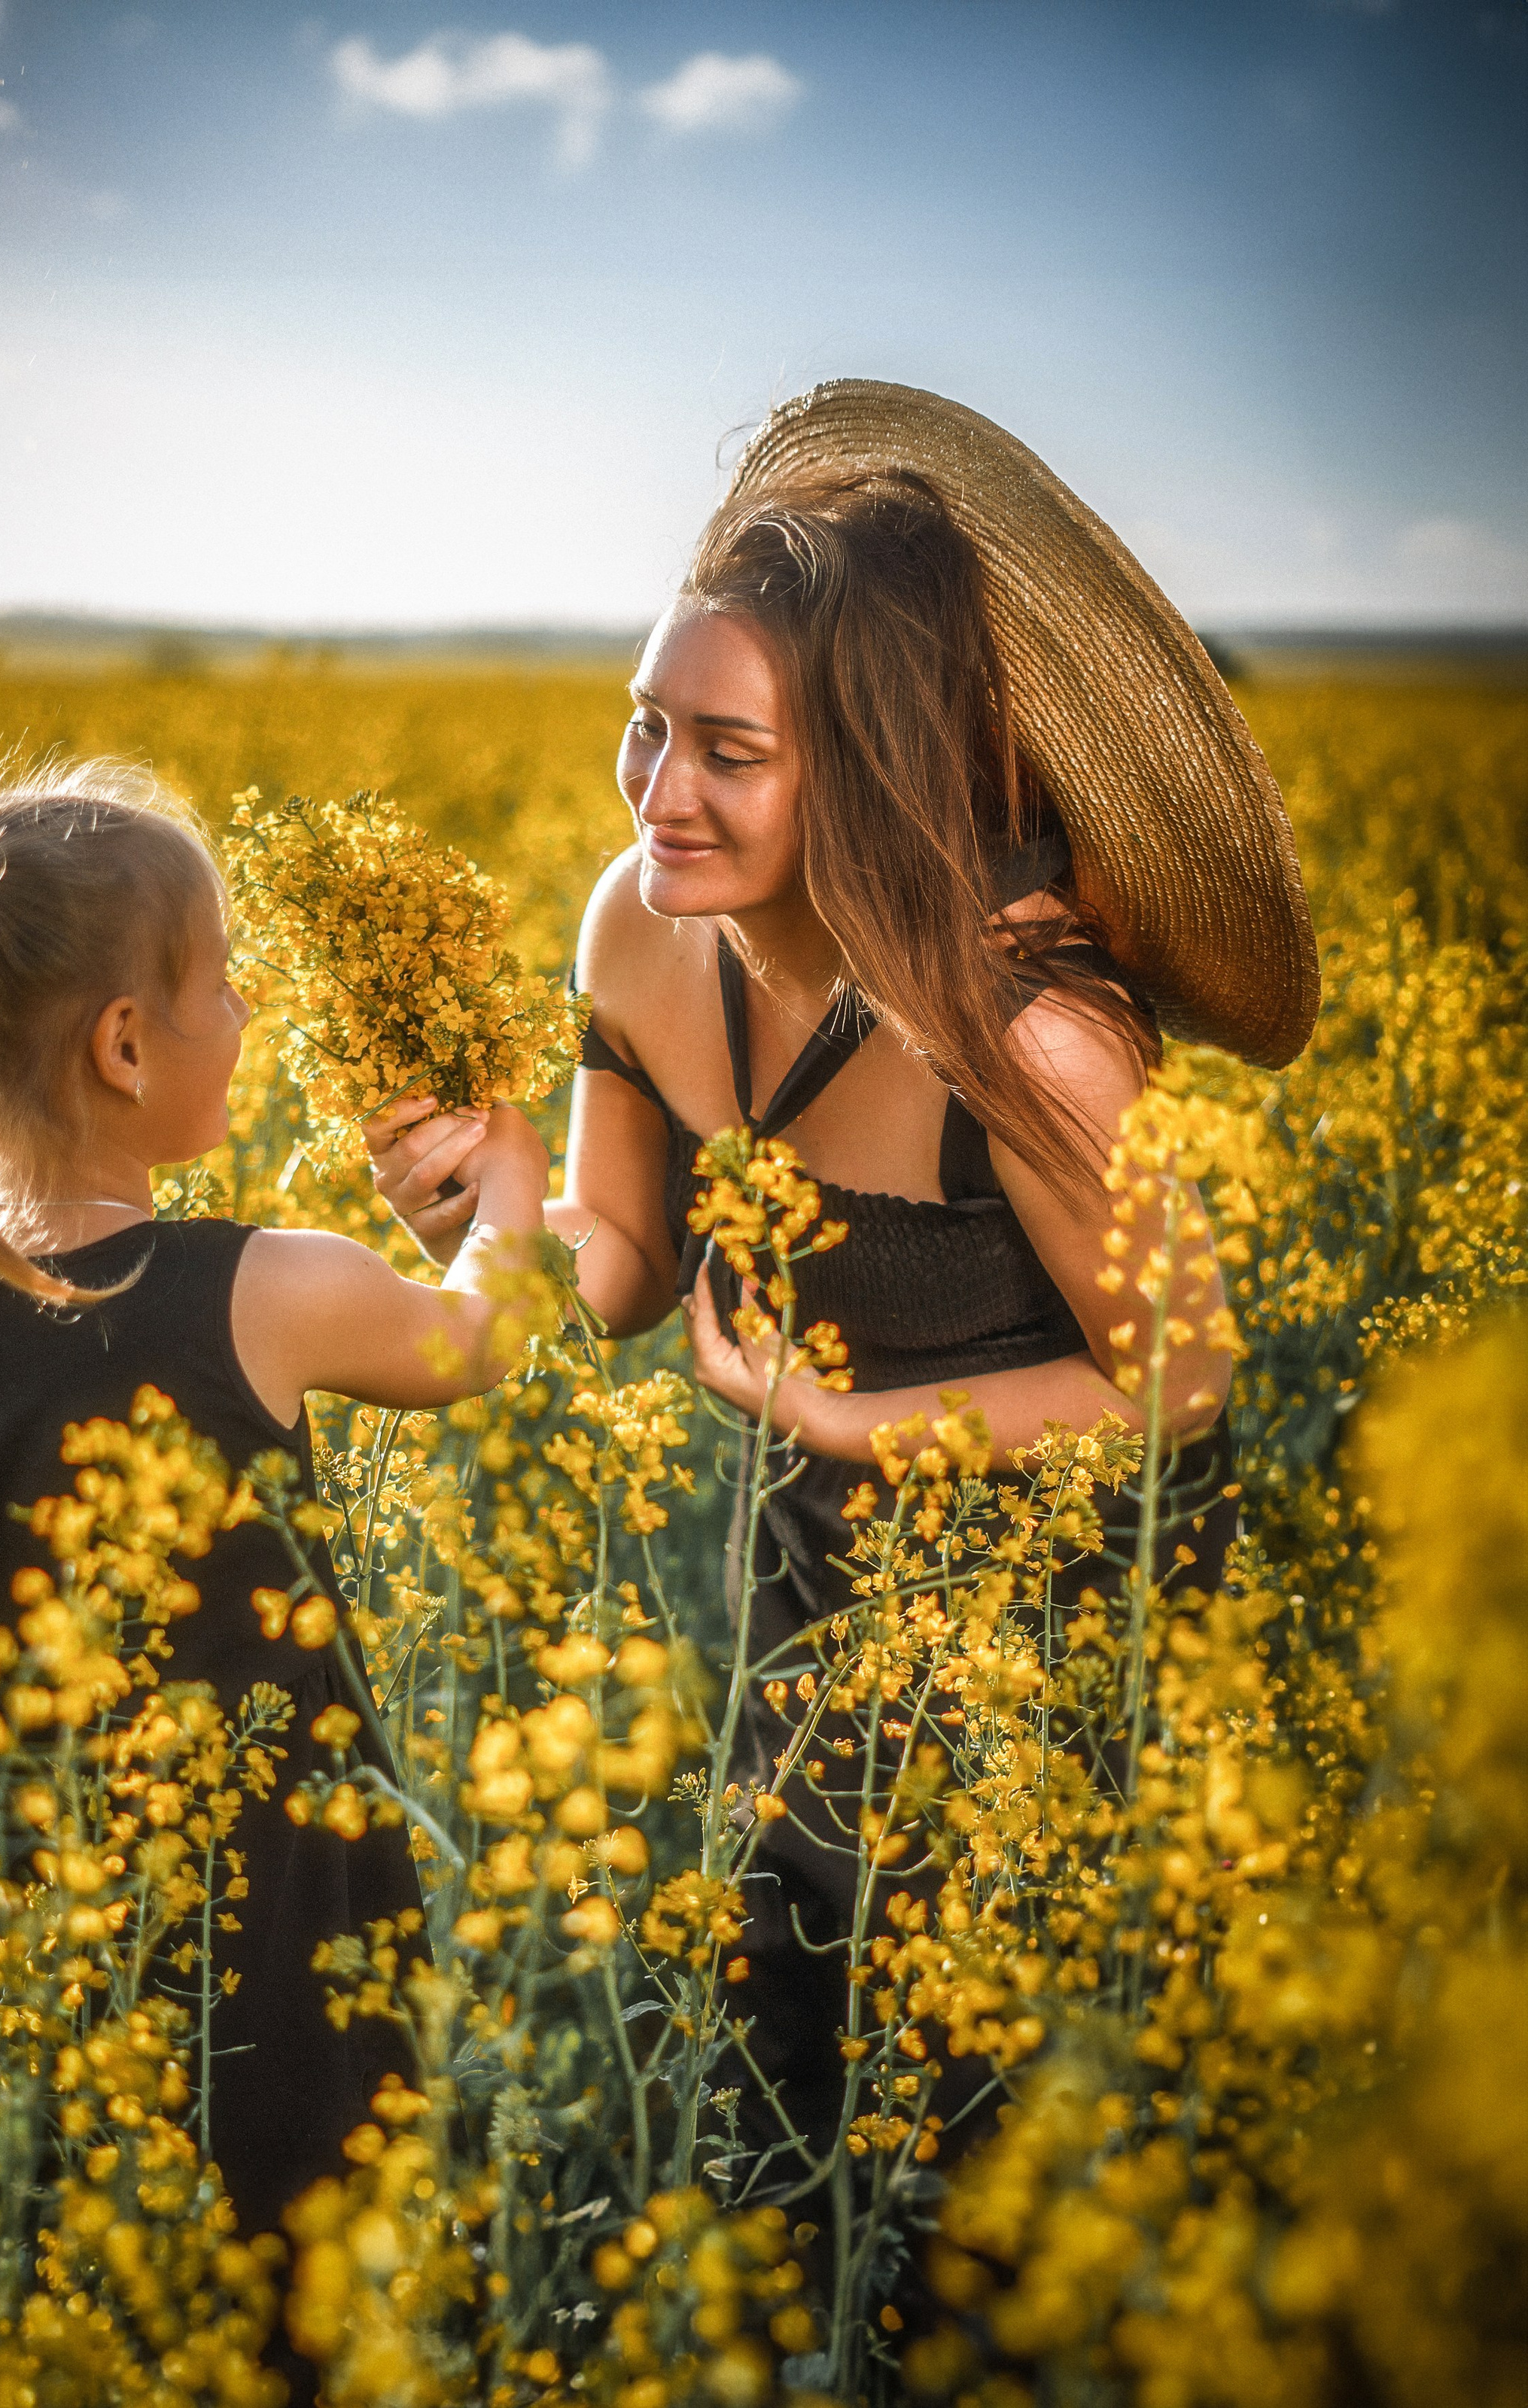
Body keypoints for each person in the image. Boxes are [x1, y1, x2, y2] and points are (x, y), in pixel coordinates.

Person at [367, 382, 1319, 2185]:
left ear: (862, 765)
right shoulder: (636, 927)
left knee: (1008, 2141)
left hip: (1063, 1626)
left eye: (726, 750)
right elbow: (630, 1267)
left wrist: (840, 1418)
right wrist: (483, 1213)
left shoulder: (1025, 1038)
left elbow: (1174, 1385)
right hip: (817, 1588)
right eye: (642, 729)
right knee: (793, 2094)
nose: (658, 792)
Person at [0, 758, 552, 2248]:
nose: (249, 1013)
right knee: (288, 2238)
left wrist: (41, 1638)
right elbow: (477, 1339)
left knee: (67, 2244)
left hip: (36, 1900)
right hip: (273, 1908)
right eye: (223, 985)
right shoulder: (264, 1286)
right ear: (127, 1046)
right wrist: (515, 1180)